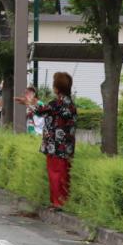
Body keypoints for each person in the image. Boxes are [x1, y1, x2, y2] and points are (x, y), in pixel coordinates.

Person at [23, 72, 77, 209]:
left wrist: (28, 103)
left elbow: (41, 111)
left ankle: (58, 203)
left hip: (55, 146)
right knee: (64, 174)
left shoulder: (57, 103)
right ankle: (62, 202)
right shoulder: (70, 104)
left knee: (55, 174)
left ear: (57, 87)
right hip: (67, 146)